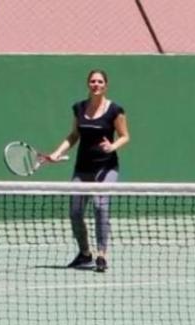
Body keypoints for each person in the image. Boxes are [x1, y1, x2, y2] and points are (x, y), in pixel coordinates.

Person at [43, 69, 130, 274]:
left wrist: (113, 146)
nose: (96, 84)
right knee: (75, 213)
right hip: (82, 169)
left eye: (100, 81)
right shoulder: (79, 108)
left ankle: (101, 255)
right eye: (92, 81)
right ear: (88, 84)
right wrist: (56, 153)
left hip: (106, 167)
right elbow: (74, 135)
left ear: (105, 85)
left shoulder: (115, 110)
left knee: (101, 207)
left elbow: (125, 135)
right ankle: (85, 254)